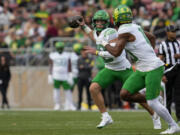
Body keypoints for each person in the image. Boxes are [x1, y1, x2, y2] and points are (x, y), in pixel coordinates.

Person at [98, 5, 180, 134]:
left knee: (152, 103)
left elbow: (116, 52)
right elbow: (152, 37)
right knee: (125, 94)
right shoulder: (135, 26)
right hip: (142, 67)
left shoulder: (124, 31)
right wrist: (148, 53)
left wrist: (104, 43)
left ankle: (173, 125)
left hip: (152, 67)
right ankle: (154, 99)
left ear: (116, 19)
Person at [77, 10, 161, 129]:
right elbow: (93, 35)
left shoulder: (111, 32)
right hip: (110, 68)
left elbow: (113, 54)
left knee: (134, 95)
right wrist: (83, 26)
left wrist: (96, 52)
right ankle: (106, 117)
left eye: (102, 21)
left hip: (123, 68)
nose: (99, 23)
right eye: (97, 21)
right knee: (93, 88)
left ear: (107, 22)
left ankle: (154, 115)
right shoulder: (98, 33)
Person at [158, 25, 180, 123]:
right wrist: (161, 74)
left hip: (178, 70)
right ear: (167, 33)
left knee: (178, 95)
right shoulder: (163, 44)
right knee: (168, 96)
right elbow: (160, 60)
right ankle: (169, 119)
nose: (174, 33)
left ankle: (179, 117)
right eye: (172, 31)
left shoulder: (179, 43)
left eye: (175, 31)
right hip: (168, 71)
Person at [48, 41, 75, 110]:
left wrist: (70, 75)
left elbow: (69, 65)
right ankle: (57, 104)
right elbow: (51, 66)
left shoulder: (67, 55)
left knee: (68, 91)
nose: (60, 49)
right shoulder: (52, 55)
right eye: (58, 48)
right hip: (56, 75)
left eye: (61, 48)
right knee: (56, 91)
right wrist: (50, 75)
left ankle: (70, 104)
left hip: (65, 76)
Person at [77, 45, 94, 110]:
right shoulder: (79, 59)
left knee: (88, 93)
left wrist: (83, 67)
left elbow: (91, 67)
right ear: (81, 52)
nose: (84, 52)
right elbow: (79, 67)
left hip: (87, 78)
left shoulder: (90, 59)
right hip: (80, 78)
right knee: (80, 93)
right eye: (83, 51)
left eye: (85, 51)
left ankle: (89, 106)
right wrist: (86, 66)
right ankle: (79, 106)